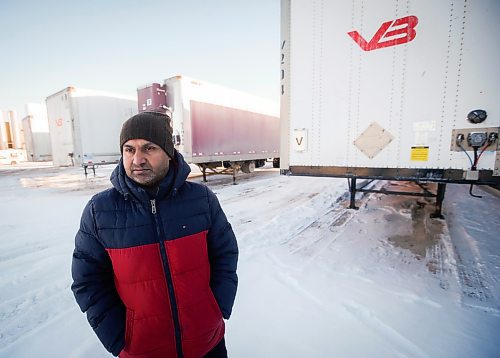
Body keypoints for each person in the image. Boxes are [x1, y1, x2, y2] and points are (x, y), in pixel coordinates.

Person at [71, 111, 238, 358]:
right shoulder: (100, 211)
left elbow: (225, 254)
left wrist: (216, 308)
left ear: (169, 153)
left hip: (207, 345)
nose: (137, 159)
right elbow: (88, 281)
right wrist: (119, 337)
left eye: (149, 148)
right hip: (142, 351)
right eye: (129, 149)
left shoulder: (201, 200)